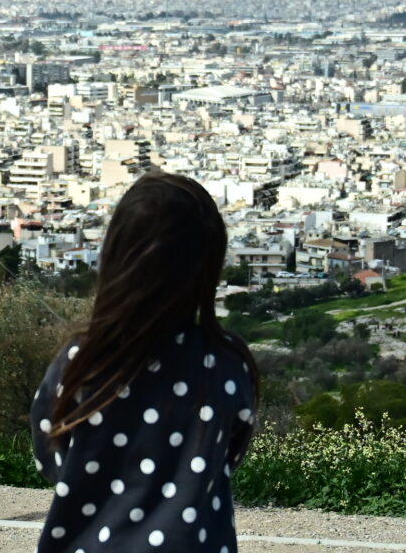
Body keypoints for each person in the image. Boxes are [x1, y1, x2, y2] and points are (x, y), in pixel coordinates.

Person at [29, 172, 259, 552]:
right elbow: (228, 456)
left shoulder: (81, 362)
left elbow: (51, 456)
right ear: (210, 266)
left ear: (116, 257)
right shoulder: (226, 365)